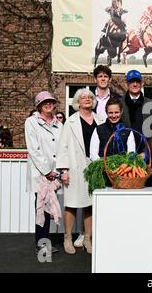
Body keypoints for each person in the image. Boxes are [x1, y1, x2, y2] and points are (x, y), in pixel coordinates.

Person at [56, 89, 104, 255]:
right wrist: (64, 170)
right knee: (71, 204)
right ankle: (68, 238)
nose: (87, 99)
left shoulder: (100, 119)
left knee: (90, 204)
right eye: (83, 98)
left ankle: (87, 239)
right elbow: (62, 147)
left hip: (94, 168)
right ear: (77, 102)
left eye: (90, 97)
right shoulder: (70, 122)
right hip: (75, 167)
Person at [24, 91, 63, 256]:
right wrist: (47, 171)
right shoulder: (31, 122)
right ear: (39, 105)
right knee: (41, 206)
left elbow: (62, 148)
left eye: (51, 102)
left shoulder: (59, 124)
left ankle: (45, 241)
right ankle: (41, 244)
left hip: (54, 174)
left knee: (49, 206)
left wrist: (57, 171)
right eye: (44, 102)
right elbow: (34, 149)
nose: (48, 104)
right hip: (41, 174)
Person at [121, 70, 152, 184]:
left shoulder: (151, 104)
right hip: (124, 157)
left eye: (137, 81)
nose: (135, 84)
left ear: (142, 84)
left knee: (146, 190)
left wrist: (146, 152)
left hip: (145, 156)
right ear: (126, 84)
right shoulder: (119, 103)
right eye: (132, 81)